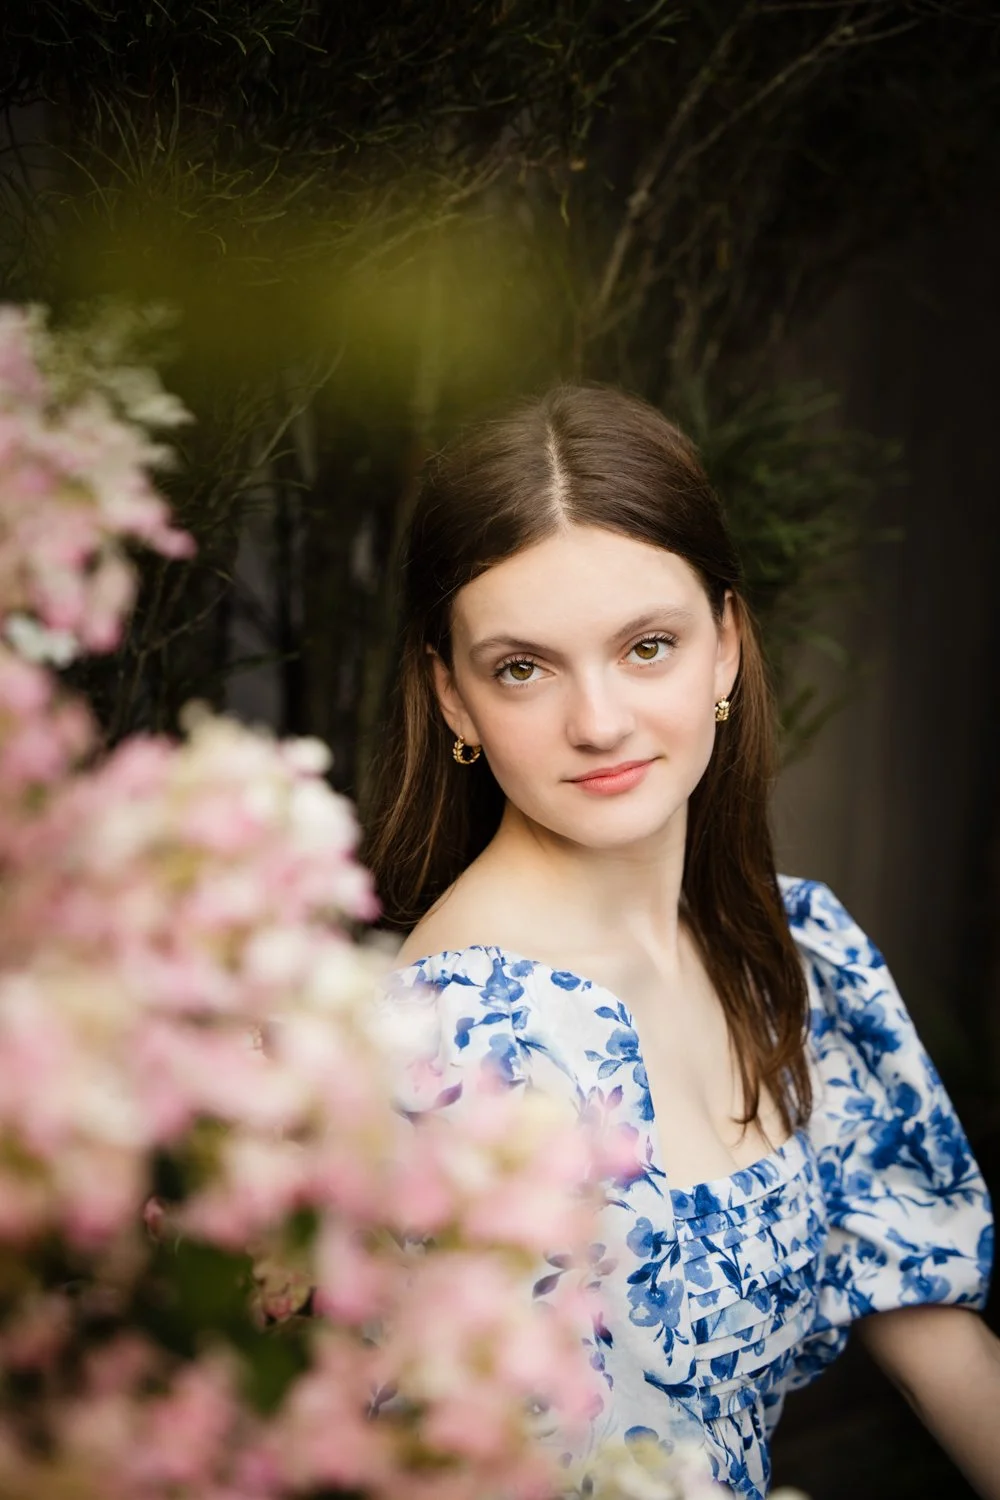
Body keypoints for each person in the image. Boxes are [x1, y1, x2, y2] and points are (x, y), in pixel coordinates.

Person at [362, 384, 997, 1500]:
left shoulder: (791, 953)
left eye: (646, 646)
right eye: (523, 668)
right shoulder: (449, 1047)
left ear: (725, 649)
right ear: (451, 698)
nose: (598, 721)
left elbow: (939, 1335)